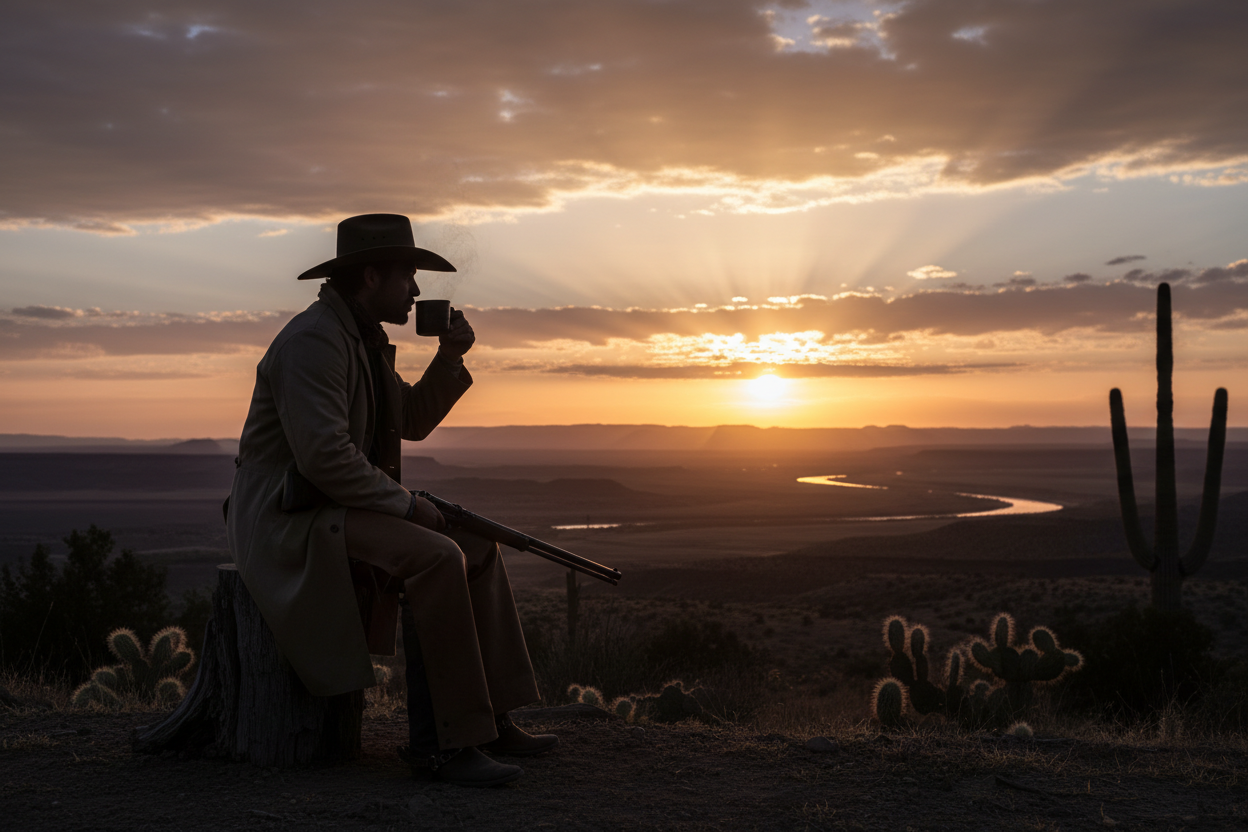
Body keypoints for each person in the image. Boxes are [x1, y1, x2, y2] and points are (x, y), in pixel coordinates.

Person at [226, 213, 554, 787]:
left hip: (328, 504)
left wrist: (449, 358)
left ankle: (490, 717)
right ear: (372, 276)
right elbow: (324, 460)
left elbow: (413, 422)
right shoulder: (313, 343)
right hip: (291, 519)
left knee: (474, 544)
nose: (419, 292)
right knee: (436, 555)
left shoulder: (359, 339)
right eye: (409, 277)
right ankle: (443, 748)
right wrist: (406, 506)